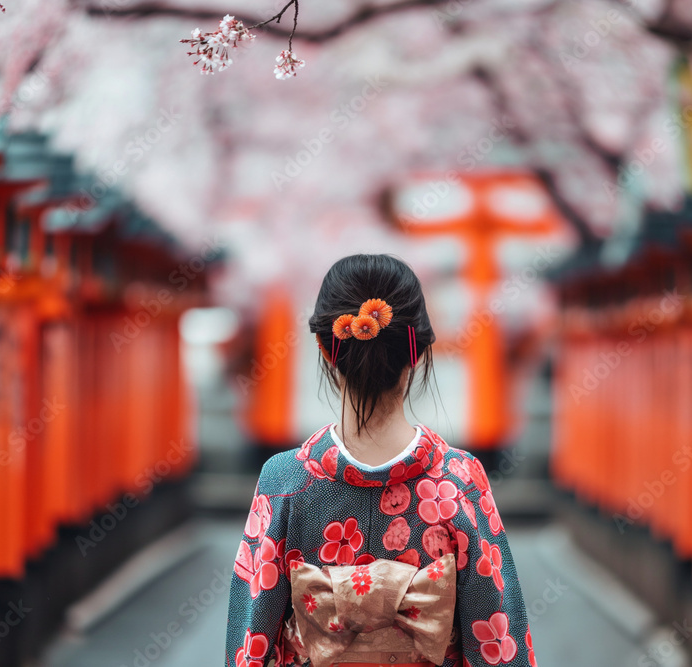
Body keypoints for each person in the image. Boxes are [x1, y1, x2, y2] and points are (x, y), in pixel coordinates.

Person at [226, 254, 535, 667]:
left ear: (324, 348)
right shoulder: (459, 480)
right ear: (421, 351)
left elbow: (251, 644)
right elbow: (498, 639)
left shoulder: (286, 481)